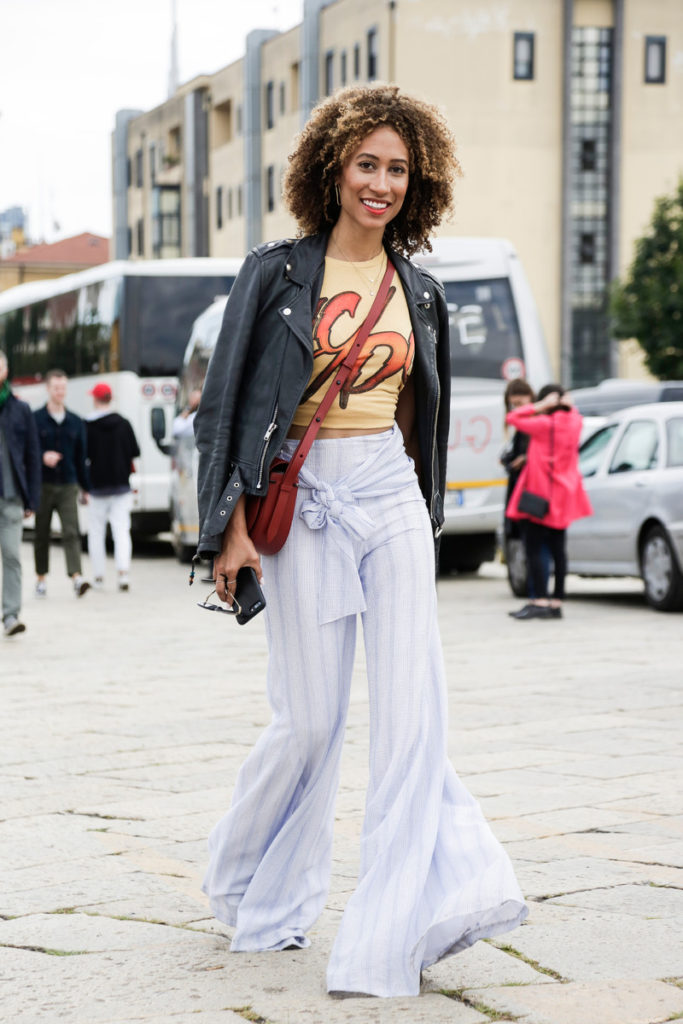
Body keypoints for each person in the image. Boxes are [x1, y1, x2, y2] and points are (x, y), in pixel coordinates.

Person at [195, 83, 527, 999]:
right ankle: (250, 881)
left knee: (414, 712)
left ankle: (397, 930)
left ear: (416, 183)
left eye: (397, 169)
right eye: (367, 164)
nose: (380, 182)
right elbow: (222, 411)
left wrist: (422, 513)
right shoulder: (274, 272)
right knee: (308, 721)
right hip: (299, 503)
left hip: (386, 491)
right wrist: (228, 532)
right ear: (333, 169)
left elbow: (420, 413)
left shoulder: (420, 288)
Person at [506, 383, 592, 619]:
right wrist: (568, 404)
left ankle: (540, 600)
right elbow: (575, 414)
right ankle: (556, 603)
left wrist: (540, 406)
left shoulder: (543, 425)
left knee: (533, 549)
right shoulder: (575, 423)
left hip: (539, 495)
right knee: (559, 551)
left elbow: (512, 417)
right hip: (564, 494)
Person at [33, 369, 90, 598]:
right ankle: (40, 579)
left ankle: (76, 578)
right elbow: (28, 450)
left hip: (68, 483)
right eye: (56, 388)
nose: (60, 392)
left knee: (71, 531)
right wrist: (42, 457)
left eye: (63, 388)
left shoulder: (76, 421)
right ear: (48, 389)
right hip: (43, 484)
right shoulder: (35, 419)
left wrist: (86, 488)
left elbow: (81, 456)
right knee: (41, 533)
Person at [0, 350, 41, 636]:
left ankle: (11, 616)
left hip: (11, 498)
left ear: (6, 369)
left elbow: (32, 454)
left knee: (13, 555)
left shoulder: (20, 409)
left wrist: (32, 499)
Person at [85, 382, 140, 592]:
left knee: (96, 533)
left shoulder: (88, 425)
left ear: (95, 399)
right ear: (110, 398)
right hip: (121, 486)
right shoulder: (124, 423)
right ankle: (123, 573)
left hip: (97, 487)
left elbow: (84, 455)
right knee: (121, 531)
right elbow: (134, 451)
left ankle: (98, 577)